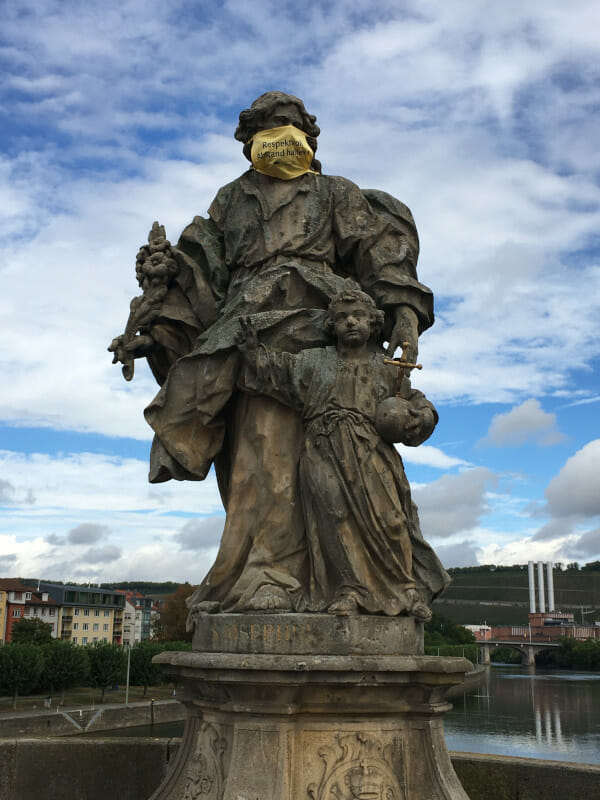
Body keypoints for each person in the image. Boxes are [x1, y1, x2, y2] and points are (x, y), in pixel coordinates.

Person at [111, 92, 440, 617]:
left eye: (289, 124)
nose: (280, 132)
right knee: (252, 455)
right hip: (245, 333)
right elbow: (199, 277)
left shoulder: (335, 193)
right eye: (269, 125)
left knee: (311, 451)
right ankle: (264, 572)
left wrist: (403, 311)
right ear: (249, 141)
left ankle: (297, 579)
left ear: (308, 135)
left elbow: (380, 252)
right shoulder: (230, 200)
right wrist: (158, 324)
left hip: (316, 324)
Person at [235, 289, 448, 619]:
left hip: (372, 453)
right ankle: (349, 590)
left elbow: (415, 400)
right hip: (323, 448)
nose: (351, 322)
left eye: (359, 316)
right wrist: (253, 352)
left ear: (372, 323)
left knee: (391, 519)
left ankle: (407, 591)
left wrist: (424, 416)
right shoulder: (314, 360)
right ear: (331, 325)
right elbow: (277, 371)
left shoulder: (388, 365)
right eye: (343, 317)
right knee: (334, 519)